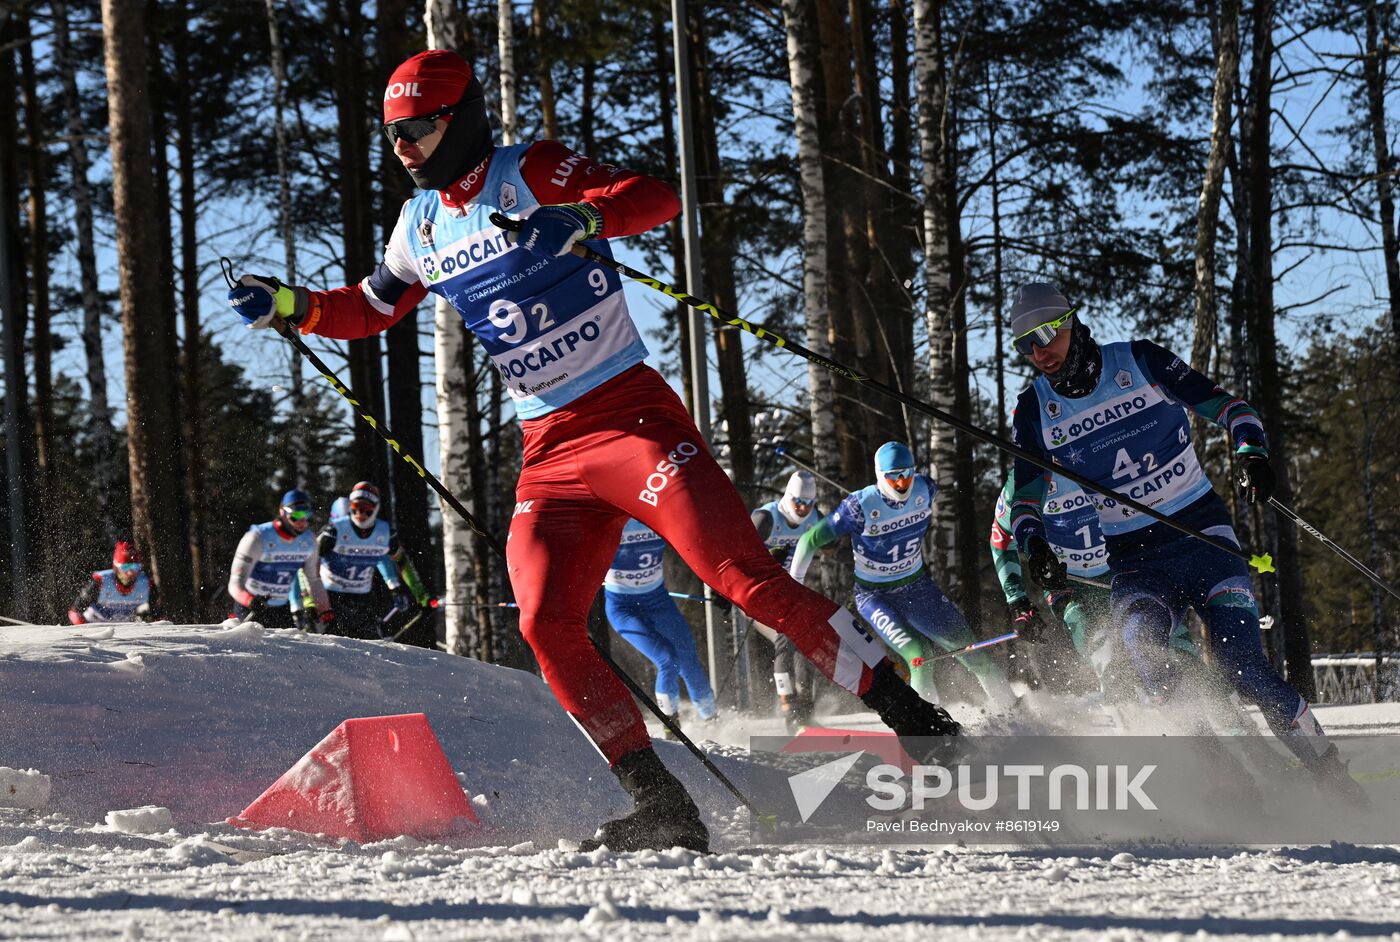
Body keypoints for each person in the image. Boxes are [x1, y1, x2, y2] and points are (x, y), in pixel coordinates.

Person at [225, 48, 958, 853]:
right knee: (546, 624)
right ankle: (661, 805)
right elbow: (369, 307)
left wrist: (583, 216)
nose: (401, 146)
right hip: (549, 452)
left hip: (630, 420)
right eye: (391, 134)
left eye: (418, 129)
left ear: (460, 118)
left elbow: (655, 196)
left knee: (745, 580)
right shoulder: (418, 225)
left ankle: (918, 725)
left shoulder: (529, 169)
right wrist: (288, 304)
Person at [1004, 282, 1358, 791]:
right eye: (1025, 344)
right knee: (1144, 655)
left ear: (1071, 320)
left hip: (1202, 537)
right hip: (1134, 559)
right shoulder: (1034, 409)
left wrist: (1251, 452)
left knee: (1244, 670)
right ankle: (1228, 785)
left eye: (1045, 333)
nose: (1040, 352)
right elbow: (1024, 498)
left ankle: (1332, 776)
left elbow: (1230, 408)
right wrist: (1034, 543)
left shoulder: (1140, 361)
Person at [789, 442, 1016, 712]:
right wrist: (794, 587)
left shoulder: (926, 489)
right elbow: (808, 539)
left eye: (906, 474)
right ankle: (930, 730)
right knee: (920, 654)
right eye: (893, 476)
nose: (901, 483)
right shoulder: (859, 507)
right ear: (879, 475)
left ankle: (1014, 710)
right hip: (875, 596)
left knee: (971, 651)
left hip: (918, 588)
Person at [990, 466, 1199, 697]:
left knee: (1173, 645)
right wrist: (1017, 600)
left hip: (1126, 566)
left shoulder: (1097, 447)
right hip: (1069, 584)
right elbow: (1000, 536)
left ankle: (1219, 714)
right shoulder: (1027, 474)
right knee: (1108, 662)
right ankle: (1132, 719)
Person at [603, 519, 717, 729]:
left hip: (657, 600)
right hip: (623, 608)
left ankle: (711, 719)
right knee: (667, 659)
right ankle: (671, 725)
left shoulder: (656, 515)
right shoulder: (613, 519)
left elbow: (696, 545)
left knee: (688, 660)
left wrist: (721, 586)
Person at [294, 482, 432, 641]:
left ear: (375, 508)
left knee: (371, 652)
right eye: (355, 507)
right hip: (330, 600)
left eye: (366, 508)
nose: (360, 513)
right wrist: (310, 602)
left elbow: (401, 562)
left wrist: (420, 595)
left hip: (362, 602)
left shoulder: (386, 534)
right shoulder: (334, 531)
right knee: (328, 650)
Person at [749, 471, 821, 728]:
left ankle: (805, 707)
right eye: (797, 502)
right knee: (784, 637)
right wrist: (767, 559)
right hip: (758, 599)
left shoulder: (814, 519)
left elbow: (836, 543)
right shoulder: (766, 518)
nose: (802, 509)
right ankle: (788, 704)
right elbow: (740, 554)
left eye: (808, 504)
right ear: (787, 497)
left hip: (790, 599)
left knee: (805, 638)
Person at [228, 489, 332, 632]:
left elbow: (313, 580)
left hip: (281, 609)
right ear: (282, 512)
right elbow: (235, 581)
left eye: (306, 515)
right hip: (250, 607)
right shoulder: (257, 537)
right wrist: (250, 600)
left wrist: (323, 610)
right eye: (296, 515)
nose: (302, 521)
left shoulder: (309, 541)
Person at [67, 541, 157, 625]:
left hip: (123, 631)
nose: (130, 572)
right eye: (125, 567)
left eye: (135, 566)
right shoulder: (100, 582)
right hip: (93, 628)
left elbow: (158, 615)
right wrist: (85, 629)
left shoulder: (146, 584)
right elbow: (74, 612)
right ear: (116, 567)